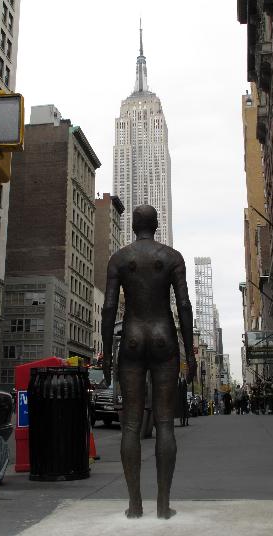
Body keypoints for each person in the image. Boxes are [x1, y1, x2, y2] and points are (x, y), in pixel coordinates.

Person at [101, 204, 197, 519]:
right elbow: (183, 305)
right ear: (156, 225)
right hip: (162, 337)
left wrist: (105, 350)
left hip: (130, 336)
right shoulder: (172, 257)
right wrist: (190, 353)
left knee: (130, 424)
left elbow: (109, 307)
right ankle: (163, 505)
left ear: (133, 226)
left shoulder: (119, 259)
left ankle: (134, 505)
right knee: (165, 423)